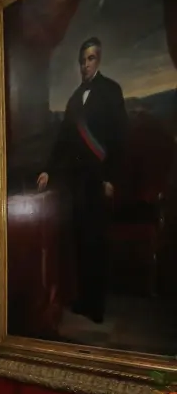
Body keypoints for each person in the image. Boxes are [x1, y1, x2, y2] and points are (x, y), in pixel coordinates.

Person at [36, 37, 126, 324]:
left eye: (91, 59)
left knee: (97, 242)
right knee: (80, 241)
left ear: (98, 60)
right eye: (82, 60)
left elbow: (119, 138)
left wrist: (111, 177)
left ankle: (96, 306)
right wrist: (48, 169)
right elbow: (63, 139)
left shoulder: (111, 90)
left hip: (100, 179)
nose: (86, 65)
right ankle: (84, 300)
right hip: (77, 181)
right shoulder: (75, 98)